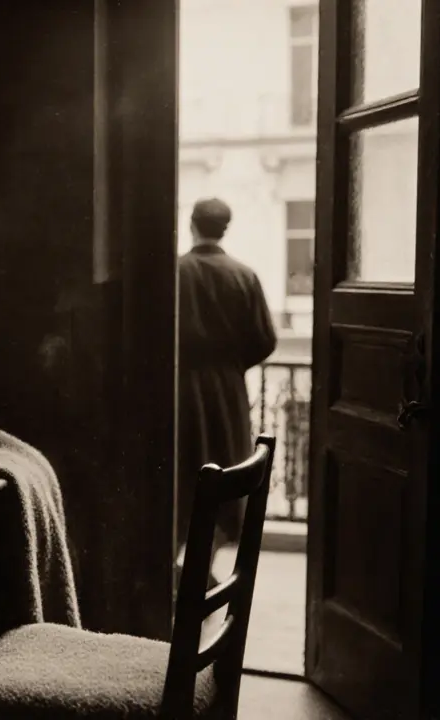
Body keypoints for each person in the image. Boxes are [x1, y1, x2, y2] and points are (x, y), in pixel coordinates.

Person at [176, 198, 278, 583]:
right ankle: (202, 567)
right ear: (225, 228)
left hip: (181, 390)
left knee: (183, 472)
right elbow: (265, 339)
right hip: (227, 392)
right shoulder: (244, 276)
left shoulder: (176, 271)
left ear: (192, 225)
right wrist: (232, 367)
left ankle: (179, 569)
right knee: (223, 473)